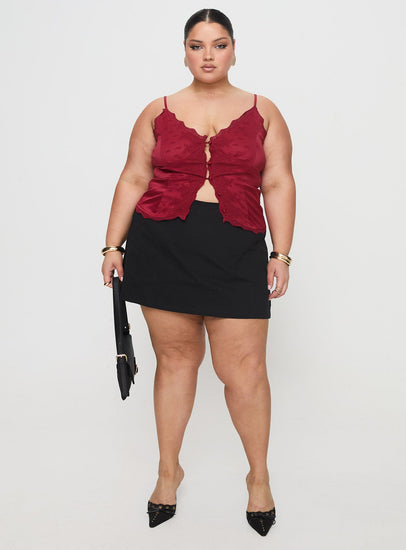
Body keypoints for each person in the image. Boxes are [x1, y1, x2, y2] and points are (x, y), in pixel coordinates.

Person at [101, 8, 295, 537]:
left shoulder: (264, 111)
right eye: (197, 45)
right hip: (162, 246)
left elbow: (278, 182)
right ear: (184, 52)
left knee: (245, 371)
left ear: (234, 49)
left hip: (236, 248)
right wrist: (113, 244)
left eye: (219, 44)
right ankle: (168, 472)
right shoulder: (157, 110)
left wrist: (280, 254)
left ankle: (258, 477)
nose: (208, 55)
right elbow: (134, 176)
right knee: (175, 364)